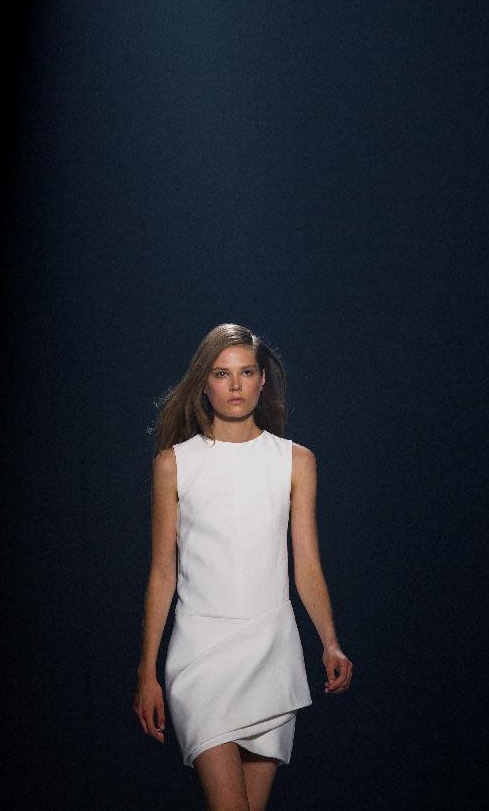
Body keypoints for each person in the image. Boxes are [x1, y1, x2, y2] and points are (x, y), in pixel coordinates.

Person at [133, 322, 353, 811]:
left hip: (270, 650)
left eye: (246, 372)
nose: (234, 385)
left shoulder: (295, 462)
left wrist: (330, 641)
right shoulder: (175, 463)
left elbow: (307, 564)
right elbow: (162, 574)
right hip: (200, 656)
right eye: (221, 373)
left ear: (262, 381)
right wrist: (147, 671)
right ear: (203, 384)